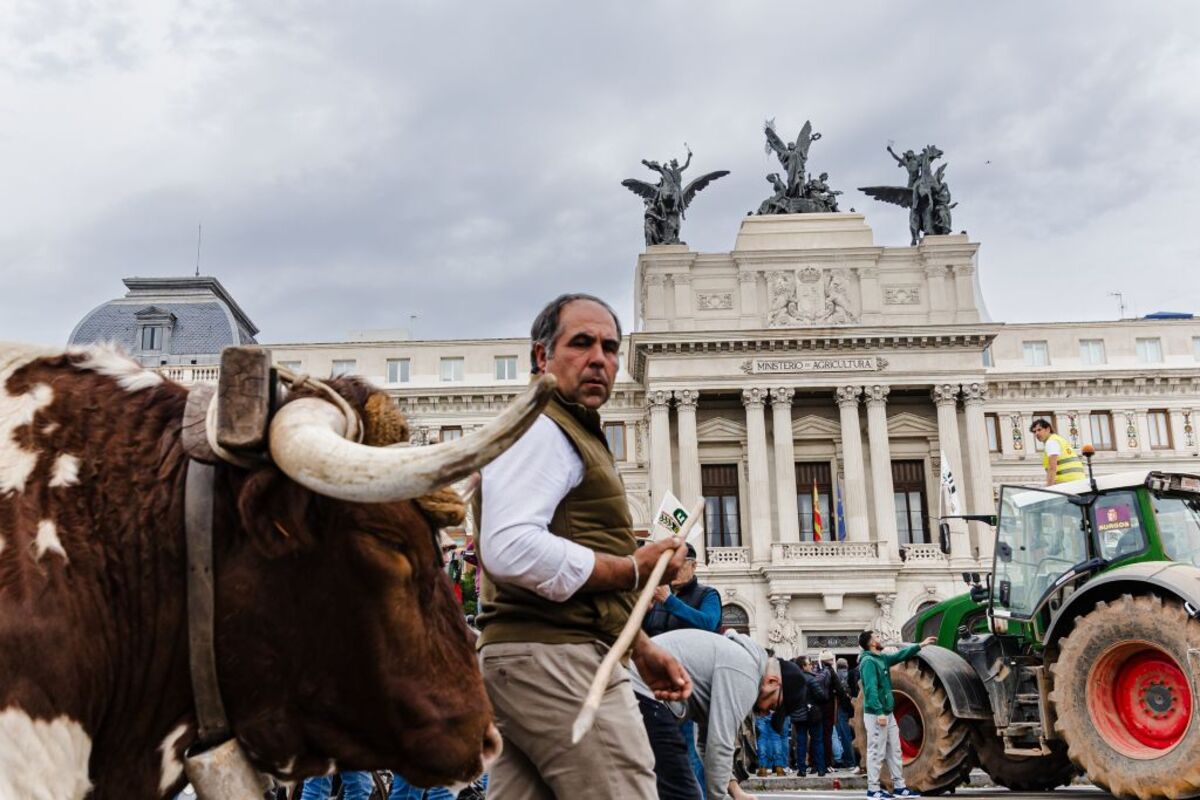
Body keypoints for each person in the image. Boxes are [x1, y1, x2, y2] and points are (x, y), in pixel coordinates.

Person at [474, 293, 692, 800]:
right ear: (541, 357)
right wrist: (630, 570)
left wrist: (639, 649)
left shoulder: (563, 428)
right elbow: (508, 548)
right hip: (561, 662)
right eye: (581, 343)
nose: (600, 358)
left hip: (525, 660)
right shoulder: (545, 427)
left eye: (611, 347)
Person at [632, 629, 803, 800]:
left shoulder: (740, 660)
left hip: (638, 690)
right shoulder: (746, 673)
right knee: (683, 792)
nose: (766, 712)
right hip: (642, 691)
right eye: (773, 706)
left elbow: (707, 743)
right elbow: (720, 745)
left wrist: (735, 791)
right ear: (772, 681)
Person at [643, 541, 721, 789]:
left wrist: (670, 602)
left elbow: (708, 623)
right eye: (668, 567)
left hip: (687, 686)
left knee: (686, 750)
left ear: (693, 566)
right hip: (653, 685)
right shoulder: (657, 599)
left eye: (678, 566)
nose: (672, 571)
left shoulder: (707, 595)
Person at [859, 630, 938, 799]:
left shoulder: (881, 659)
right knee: (876, 751)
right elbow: (870, 689)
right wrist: (879, 712)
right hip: (876, 714)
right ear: (871, 643)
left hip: (888, 713)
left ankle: (900, 787)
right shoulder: (868, 662)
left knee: (894, 750)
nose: (880, 639)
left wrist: (920, 645)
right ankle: (873, 790)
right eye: (877, 637)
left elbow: (900, 656)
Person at [789, 655, 827, 777]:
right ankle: (821, 769)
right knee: (817, 741)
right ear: (803, 666)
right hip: (813, 714)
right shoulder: (811, 679)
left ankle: (801, 769)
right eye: (809, 664)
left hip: (798, 715)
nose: (811, 666)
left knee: (801, 742)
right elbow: (821, 696)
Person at [816, 650, 853, 770]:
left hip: (820, 708)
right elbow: (841, 692)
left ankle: (820, 763)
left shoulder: (818, 672)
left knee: (822, 736)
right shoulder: (832, 672)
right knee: (833, 735)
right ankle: (843, 761)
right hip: (833, 708)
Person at [1029, 419, 1086, 486]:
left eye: (1039, 430)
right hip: (1078, 481)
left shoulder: (1051, 442)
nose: (1037, 433)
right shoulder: (1059, 439)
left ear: (1048, 429)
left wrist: (1049, 488)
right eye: (1034, 432)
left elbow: (1052, 467)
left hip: (1066, 483)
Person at [834, 657, 859, 770]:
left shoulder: (836, 676)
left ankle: (850, 761)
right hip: (853, 707)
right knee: (855, 734)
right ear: (847, 665)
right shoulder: (851, 674)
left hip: (841, 708)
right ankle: (857, 760)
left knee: (845, 736)